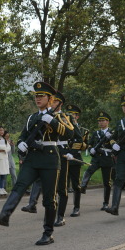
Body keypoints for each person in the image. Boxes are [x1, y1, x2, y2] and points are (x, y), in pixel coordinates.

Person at [0, 81, 74, 245]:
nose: (38, 98)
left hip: (49, 158)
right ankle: (5, 215)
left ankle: (48, 233)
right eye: (36, 96)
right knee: (20, 185)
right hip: (32, 158)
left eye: (41, 96)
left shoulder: (59, 116)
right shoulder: (31, 117)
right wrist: (21, 143)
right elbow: (24, 135)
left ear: (50, 99)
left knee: (49, 198)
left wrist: (53, 122)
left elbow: (70, 134)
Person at [80, 111, 115, 211]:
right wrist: (91, 148)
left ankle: (105, 203)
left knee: (106, 182)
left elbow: (114, 146)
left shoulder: (112, 133)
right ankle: (83, 186)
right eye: (99, 121)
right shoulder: (96, 133)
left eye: (103, 121)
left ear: (107, 122)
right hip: (96, 158)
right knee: (89, 170)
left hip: (106, 158)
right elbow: (90, 144)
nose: (101, 122)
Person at [53, 93, 74, 225]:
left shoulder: (66, 117)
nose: (52, 103)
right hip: (49, 154)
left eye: (54, 101)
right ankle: (51, 213)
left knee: (62, 186)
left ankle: (60, 216)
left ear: (60, 103)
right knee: (50, 187)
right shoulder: (46, 116)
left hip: (63, 153)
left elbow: (76, 137)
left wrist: (71, 151)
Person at [65, 104, 89, 217]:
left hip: (75, 159)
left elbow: (85, 145)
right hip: (64, 158)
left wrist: (78, 145)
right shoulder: (63, 128)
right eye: (68, 114)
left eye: (73, 114)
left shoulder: (83, 131)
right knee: (62, 185)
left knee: (76, 185)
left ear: (77, 116)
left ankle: (76, 207)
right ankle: (61, 207)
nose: (70, 116)